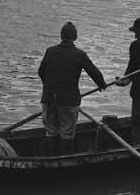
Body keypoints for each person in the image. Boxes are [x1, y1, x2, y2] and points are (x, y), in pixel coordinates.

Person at [38, 21, 107, 155]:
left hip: (48, 98)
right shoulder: (79, 54)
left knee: (51, 131)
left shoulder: (50, 51)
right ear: (75, 37)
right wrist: (102, 84)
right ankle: (64, 161)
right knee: (67, 133)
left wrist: (49, 87)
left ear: (61, 36)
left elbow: (41, 72)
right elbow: (94, 72)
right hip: (68, 101)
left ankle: (49, 159)